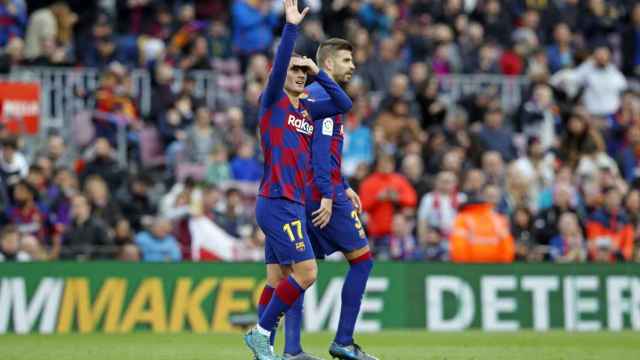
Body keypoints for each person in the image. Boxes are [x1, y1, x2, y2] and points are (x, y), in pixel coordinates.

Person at [245, 1, 352, 359]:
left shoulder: (307, 108)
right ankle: (261, 333)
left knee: (277, 281)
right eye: (294, 70)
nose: (299, 74)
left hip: (288, 202)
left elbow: (343, 104)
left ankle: (264, 349)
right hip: (277, 200)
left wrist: (318, 72)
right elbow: (279, 68)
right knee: (306, 273)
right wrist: (291, 29)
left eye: (302, 71)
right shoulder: (272, 101)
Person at [280, 37, 378, 360]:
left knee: (300, 269)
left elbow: (317, 150)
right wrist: (329, 192)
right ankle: (344, 341)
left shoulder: (310, 96)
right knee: (362, 261)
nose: (353, 67)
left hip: (303, 191)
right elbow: (321, 153)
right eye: (347, 61)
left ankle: (292, 349)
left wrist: (344, 183)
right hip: (323, 193)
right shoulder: (326, 97)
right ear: (329, 64)